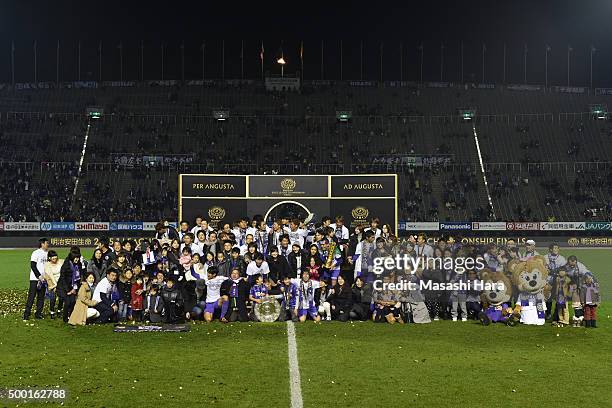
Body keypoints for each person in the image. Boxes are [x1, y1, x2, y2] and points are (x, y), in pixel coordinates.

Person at [23, 237, 49, 320]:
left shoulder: (48, 254)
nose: (48, 244)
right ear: (42, 244)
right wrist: (39, 276)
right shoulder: (36, 253)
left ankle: (38, 314)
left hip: (44, 279)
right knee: (31, 297)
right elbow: (33, 266)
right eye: (46, 243)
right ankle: (26, 315)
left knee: (41, 298)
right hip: (35, 279)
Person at [58, 249, 85, 323]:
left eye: (78, 258)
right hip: (64, 287)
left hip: (73, 286)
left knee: (73, 301)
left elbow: (79, 276)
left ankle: (72, 316)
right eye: (76, 258)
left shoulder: (78, 264)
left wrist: (75, 288)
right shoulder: (66, 265)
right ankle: (65, 318)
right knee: (67, 302)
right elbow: (62, 278)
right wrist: (68, 290)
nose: (77, 259)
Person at [43, 250, 64, 319]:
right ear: (49, 258)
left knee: (61, 298)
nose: (55, 260)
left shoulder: (61, 262)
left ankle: (59, 310)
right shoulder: (47, 265)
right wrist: (55, 285)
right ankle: (52, 312)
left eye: (56, 258)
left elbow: (64, 273)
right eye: (53, 258)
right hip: (52, 283)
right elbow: (50, 276)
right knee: (53, 298)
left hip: (61, 282)